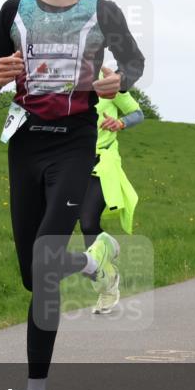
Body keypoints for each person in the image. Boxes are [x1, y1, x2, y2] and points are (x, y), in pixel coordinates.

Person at [0, 0, 145, 390]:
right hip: (25, 143)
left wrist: (119, 79)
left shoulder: (102, 12)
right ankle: (97, 264)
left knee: (47, 263)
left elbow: (133, 64)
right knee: (33, 277)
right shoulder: (14, 9)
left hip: (75, 144)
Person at [81, 88, 144, 312]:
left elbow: (138, 113)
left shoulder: (107, 82)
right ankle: (106, 280)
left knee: (88, 223)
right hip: (69, 162)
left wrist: (121, 123)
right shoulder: (64, 77)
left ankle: (106, 288)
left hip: (102, 163)